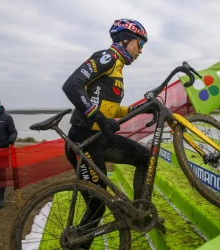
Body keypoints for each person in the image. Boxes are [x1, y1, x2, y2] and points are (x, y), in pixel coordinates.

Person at [63, 18, 163, 249]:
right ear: (126, 39)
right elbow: (71, 85)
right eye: (140, 44)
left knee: (145, 158)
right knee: (98, 205)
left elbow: (111, 110)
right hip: (83, 140)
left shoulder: (116, 68)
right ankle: (77, 246)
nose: (141, 51)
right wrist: (97, 117)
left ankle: (140, 211)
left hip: (99, 139)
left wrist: (136, 109)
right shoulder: (106, 58)